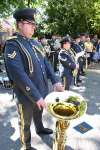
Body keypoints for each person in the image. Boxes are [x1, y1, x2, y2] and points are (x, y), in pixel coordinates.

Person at [4, 8, 64, 150]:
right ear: (19, 24)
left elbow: (46, 63)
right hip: (26, 94)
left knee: (38, 113)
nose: (33, 27)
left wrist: (55, 81)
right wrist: (36, 96)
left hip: (41, 89)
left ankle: (40, 128)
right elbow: (18, 75)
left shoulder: (35, 43)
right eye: (30, 23)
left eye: (34, 24)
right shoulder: (13, 44)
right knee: (25, 122)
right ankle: (26, 145)